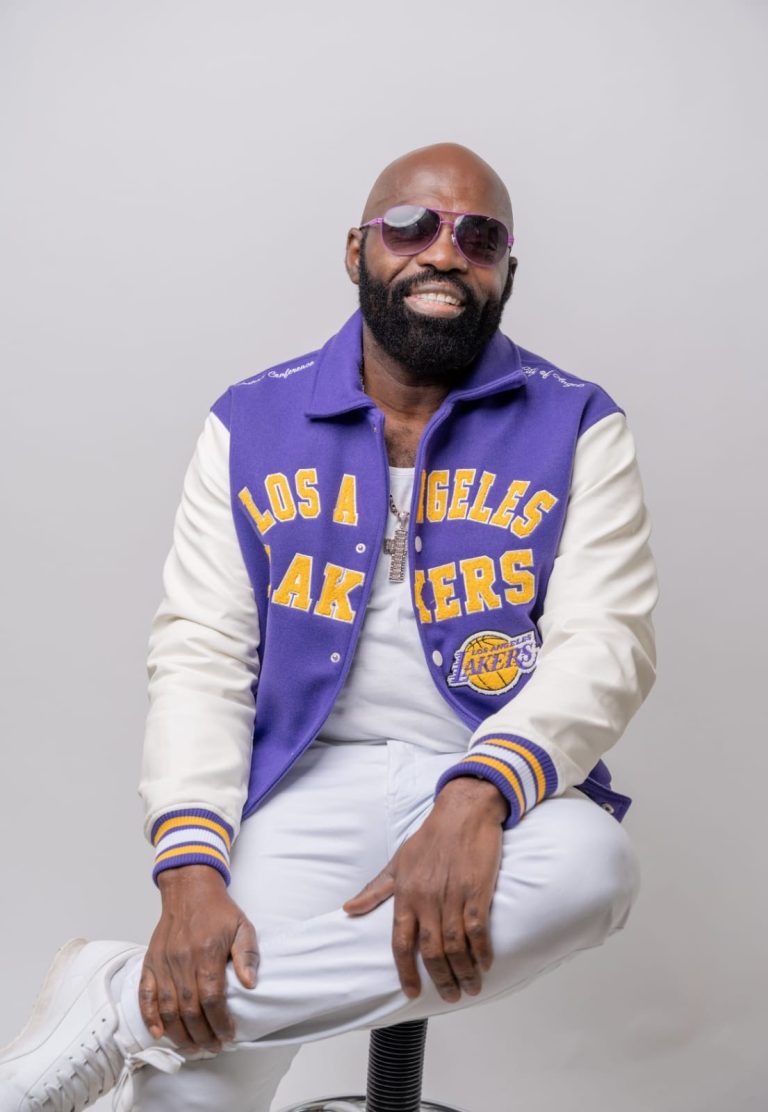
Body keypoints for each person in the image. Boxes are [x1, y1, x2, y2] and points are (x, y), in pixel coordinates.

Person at [0, 142, 658, 1112]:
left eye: (479, 237)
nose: (445, 251)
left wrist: (477, 793)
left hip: (490, 773)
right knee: (202, 1091)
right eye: (412, 226)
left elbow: (608, 641)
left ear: (506, 272)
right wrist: (189, 870)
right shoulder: (249, 421)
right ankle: (164, 1006)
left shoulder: (579, 422)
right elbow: (201, 654)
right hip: (307, 779)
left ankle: (119, 1005)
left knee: (596, 869)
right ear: (357, 249)